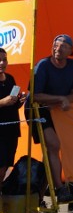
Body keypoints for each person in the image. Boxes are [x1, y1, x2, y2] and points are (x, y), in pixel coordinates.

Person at [29, 34, 73, 210]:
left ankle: (38, 197)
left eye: (63, 46)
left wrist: (62, 101)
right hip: (38, 111)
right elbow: (34, 94)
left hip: (58, 112)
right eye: (56, 45)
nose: (58, 48)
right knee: (53, 145)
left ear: (70, 50)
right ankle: (59, 188)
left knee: (50, 154)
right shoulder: (43, 65)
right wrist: (59, 99)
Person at [0, 47, 26, 194]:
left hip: (11, 130)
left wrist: (20, 101)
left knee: (5, 168)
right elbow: (5, 103)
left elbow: (13, 105)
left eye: (4, 59)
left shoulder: (10, 79)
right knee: (1, 168)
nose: (1, 63)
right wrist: (3, 102)